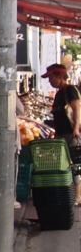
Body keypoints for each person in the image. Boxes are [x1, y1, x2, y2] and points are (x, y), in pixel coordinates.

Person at [44, 63, 81, 206]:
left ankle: (77, 196)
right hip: (62, 134)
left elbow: (76, 109)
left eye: (51, 77)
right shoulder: (59, 93)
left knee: (74, 165)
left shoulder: (70, 90)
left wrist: (76, 128)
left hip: (71, 134)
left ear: (60, 76)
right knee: (65, 165)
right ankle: (70, 194)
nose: (49, 81)